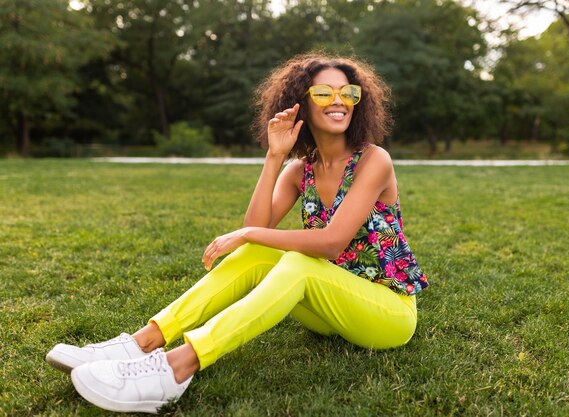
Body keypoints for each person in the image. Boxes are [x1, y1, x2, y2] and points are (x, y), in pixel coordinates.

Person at [46, 53, 429, 414]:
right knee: (255, 253)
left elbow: (330, 242)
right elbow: (259, 230)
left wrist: (247, 233)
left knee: (295, 262)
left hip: (387, 313)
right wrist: (275, 156)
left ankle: (175, 368)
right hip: (333, 307)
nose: (338, 100)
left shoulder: (373, 160)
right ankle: (141, 343)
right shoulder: (301, 170)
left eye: (348, 92)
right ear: (302, 102)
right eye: (324, 92)